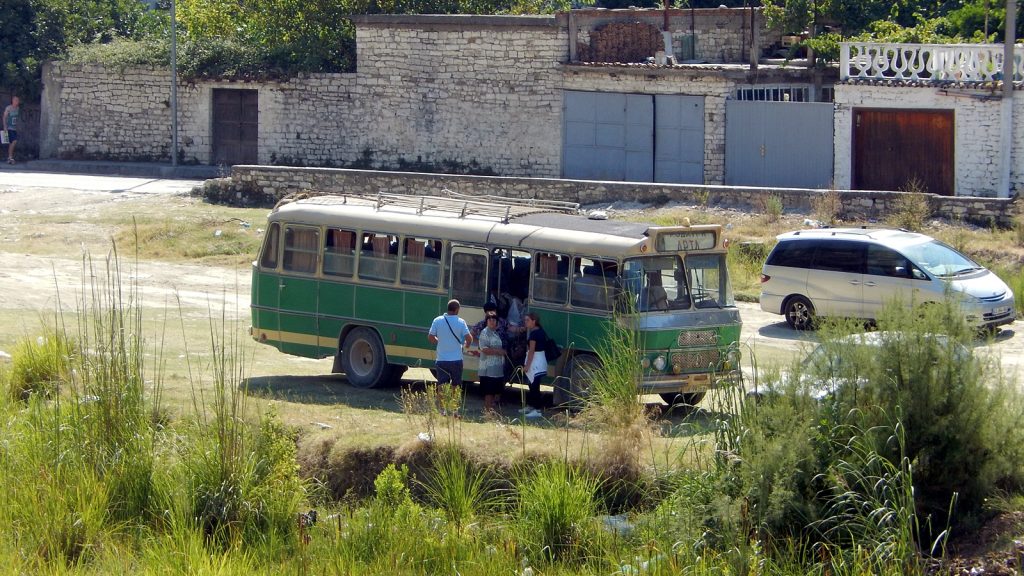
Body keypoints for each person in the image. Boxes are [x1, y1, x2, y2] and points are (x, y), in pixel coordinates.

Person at [428, 299, 473, 406]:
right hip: (456, 360)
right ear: (457, 309)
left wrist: (439, 341)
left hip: (442, 359)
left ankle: (441, 407)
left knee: (441, 385)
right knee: (456, 385)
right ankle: (454, 407)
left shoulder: (437, 320)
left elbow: (430, 337)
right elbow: (469, 338)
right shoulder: (461, 322)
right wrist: (466, 345)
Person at [474, 311, 507, 415]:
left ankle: (491, 411)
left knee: (494, 391)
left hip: (497, 369)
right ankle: (487, 412)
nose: (492, 322)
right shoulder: (485, 332)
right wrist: (499, 351)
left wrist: (503, 352)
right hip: (488, 369)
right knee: (488, 392)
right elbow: (484, 349)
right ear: (486, 321)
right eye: (490, 320)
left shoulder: (495, 332)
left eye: (494, 320)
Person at [519, 312, 549, 419]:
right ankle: (531, 406)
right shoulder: (540, 331)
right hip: (540, 361)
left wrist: (527, 366)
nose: (525, 322)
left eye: (527, 320)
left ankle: (537, 409)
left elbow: (531, 351)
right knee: (532, 385)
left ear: (534, 321)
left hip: (536, 362)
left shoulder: (534, 334)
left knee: (535, 386)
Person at [3, 96, 20, 165]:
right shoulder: (8, 108)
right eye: (16, 100)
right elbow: (4, 117)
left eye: (18, 100)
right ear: (12, 101)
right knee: (14, 141)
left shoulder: (18, 108)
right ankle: (10, 157)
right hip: (9, 128)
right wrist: (5, 126)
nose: (17, 102)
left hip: (14, 128)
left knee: (11, 142)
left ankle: (9, 158)